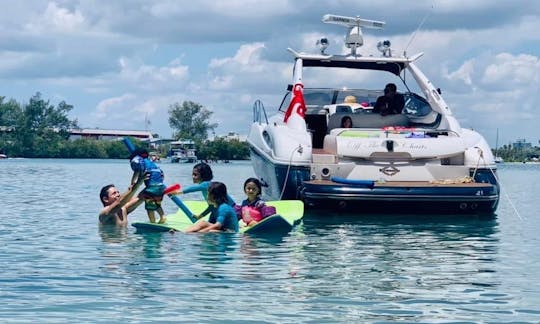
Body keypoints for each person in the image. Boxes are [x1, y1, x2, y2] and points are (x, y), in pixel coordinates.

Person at [130, 148, 167, 224]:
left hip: (151, 188)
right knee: (157, 204)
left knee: (149, 207)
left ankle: (152, 222)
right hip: (161, 187)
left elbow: (136, 172)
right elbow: (162, 175)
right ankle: (163, 216)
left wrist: (132, 182)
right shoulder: (152, 164)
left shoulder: (141, 162)